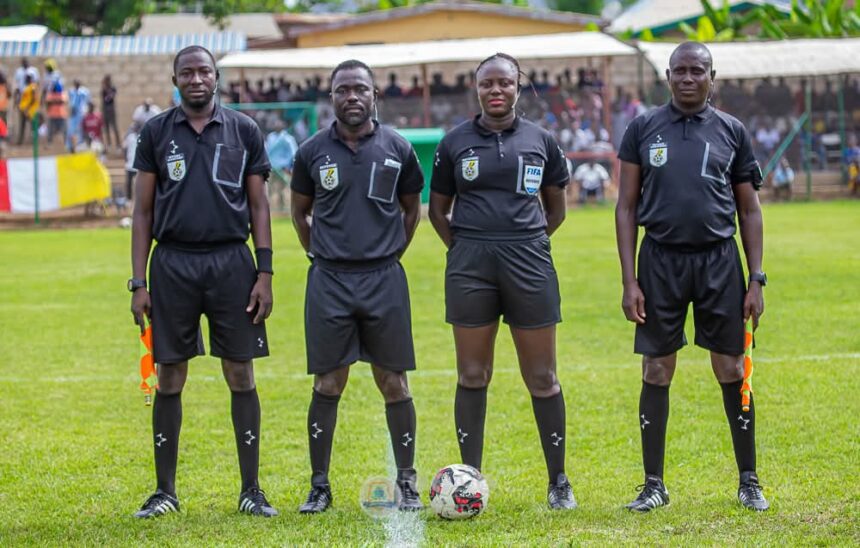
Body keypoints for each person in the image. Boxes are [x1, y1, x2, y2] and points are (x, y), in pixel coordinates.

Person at [615, 42, 769, 513]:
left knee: (731, 368)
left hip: (719, 260)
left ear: (711, 77)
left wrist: (756, 279)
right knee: (656, 368)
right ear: (667, 76)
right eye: (679, 71)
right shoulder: (643, 129)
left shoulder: (732, 131)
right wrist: (629, 281)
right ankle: (653, 485)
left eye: (696, 71)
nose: (687, 78)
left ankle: (749, 481)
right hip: (659, 261)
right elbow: (626, 207)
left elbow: (750, 209)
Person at [129, 45, 277, 519]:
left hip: (232, 263)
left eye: (204, 71)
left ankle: (251, 490)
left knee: (240, 373)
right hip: (172, 264)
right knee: (170, 374)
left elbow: (259, 206)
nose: (196, 79)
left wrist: (265, 272)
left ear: (217, 77)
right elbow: (142, 212)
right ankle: (164, 492)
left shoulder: (244, 130)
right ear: (175, 79)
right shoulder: (156, 132)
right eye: (187, 72)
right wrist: (138, 282)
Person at [428, 53, 575, 510]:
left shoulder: (541, 141)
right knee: (473, 375)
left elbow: (556, 210)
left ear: (518, 86)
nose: (496, 90)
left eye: (504, 83)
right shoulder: (454, 142)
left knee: (543, 377)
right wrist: (467, 248)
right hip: (471, 264)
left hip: (528, 261)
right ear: (476, 89)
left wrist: (524, 241)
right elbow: (437, 211)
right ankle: (467, 481)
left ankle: (559, 482)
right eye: (487, 83)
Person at [290, 59, 424, 514]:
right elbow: (300, 213)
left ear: (374, 95)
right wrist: (320, 253)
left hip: (384, 279)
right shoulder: (311, 152)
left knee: (394, 382)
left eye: (360, 89)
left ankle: (407, 482)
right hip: (329, 280)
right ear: (331, 97)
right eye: (343, 90)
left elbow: (412, 209)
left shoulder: (398, 147)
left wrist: (391, 251)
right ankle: (319, 486)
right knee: (329, 382)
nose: (352, 97)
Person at [66, 80, 90, 152]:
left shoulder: (84, 92)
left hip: (81, 114)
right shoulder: (71, 91)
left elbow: (87, 102)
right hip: (73, 113)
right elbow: (70, 101)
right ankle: (69, 146)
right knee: (70, 130)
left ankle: (80, 146)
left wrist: (86, 111)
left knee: (81, 130)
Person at [17, 74, 39, 146]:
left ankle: (34, 142)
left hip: (30, 110)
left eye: (27, 79)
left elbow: (34, 99)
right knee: (22, 125)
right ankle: (20, 141)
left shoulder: (33, 87)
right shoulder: (27, 87)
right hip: (24, 109)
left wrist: (27, 108)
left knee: (33, 126)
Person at [44, 81, 68, 146]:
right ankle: (49, 142)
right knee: (50, 130)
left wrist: (54, 101)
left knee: (64, 130)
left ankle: (66, 143)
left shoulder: (62, 93)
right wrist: (56, 101)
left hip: (61, 115)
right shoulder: (50, 94)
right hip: (52, 115)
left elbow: (63, 101)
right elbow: (48, 102)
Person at [102, 75, 121, 148]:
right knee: (106, 128)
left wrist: (108, 90)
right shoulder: (103, 89)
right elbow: (104, 100)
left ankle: (118, 144)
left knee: (114, 127)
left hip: (111, 110)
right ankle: (109, 144)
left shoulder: (113, 88)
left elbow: (109, 98)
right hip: (105, 110)